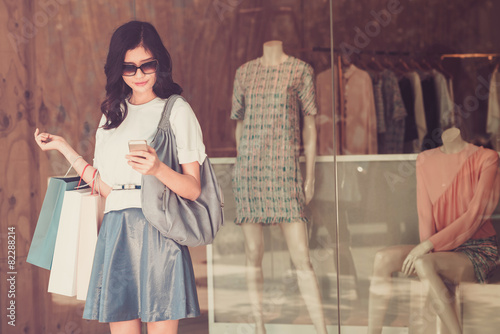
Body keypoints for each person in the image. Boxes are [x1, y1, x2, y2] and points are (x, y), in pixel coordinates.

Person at [34, 21, 205, 334]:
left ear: (160, 64)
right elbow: (104, 187)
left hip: (159, 232)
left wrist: (157, 169)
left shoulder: (177, 110)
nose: (139, 75)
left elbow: (193, 189)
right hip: (115, 232)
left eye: (147, 65)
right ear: (118, 69)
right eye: (129, 67)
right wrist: (63, 147)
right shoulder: (112, 112)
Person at [231, 40, 327, 334]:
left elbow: (310, 127)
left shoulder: (300, 71)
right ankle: (259, 326)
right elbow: (240, 123)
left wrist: (308, 176)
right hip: (251, 173)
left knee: (302, 257)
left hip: (285, 169)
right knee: (252, 252)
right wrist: (244, 163)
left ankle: (322, 329)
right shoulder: (244, 73)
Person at [367, 127, 500, 334]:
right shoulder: (425, 160)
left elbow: (474, 216)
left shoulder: (486, 158)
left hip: (477, 249)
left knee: (423, 262)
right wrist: (428, 247)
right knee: (382, 258)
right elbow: (425, 214)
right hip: (440, 249)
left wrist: (427, 247)